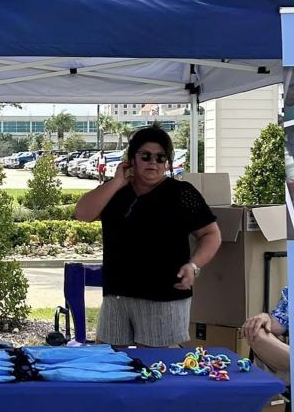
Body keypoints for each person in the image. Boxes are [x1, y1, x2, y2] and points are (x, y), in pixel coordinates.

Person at [74, 126, 221, 348]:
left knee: (156, 369)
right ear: (131, 160)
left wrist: (194, 266)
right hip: (117, 295)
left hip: (164, 296)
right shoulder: (115, 192)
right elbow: (82, 214)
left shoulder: (182, 192)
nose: (153, 162)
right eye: (145, 156)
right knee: (111, 365)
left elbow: (211, 234)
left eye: (161, 157)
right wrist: (116, 182)